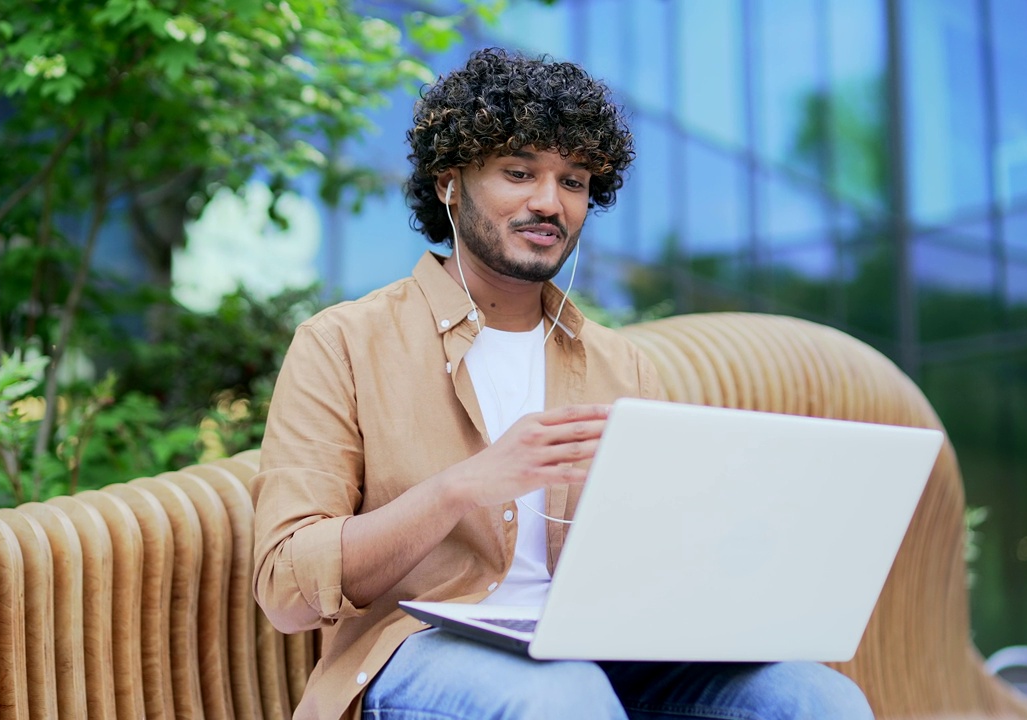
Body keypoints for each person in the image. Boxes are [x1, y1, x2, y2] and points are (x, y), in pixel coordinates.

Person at [252, 48, 874, 720]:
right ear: (450, 182)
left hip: (606, 657)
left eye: (574, 182)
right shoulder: (343, 343)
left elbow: (664, 561)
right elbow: (286, 587)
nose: (550, 203)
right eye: (519, 173)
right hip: (419, 654)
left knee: (816, 698)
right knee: (563, 700)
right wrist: (464, 487)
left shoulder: (621, 367)